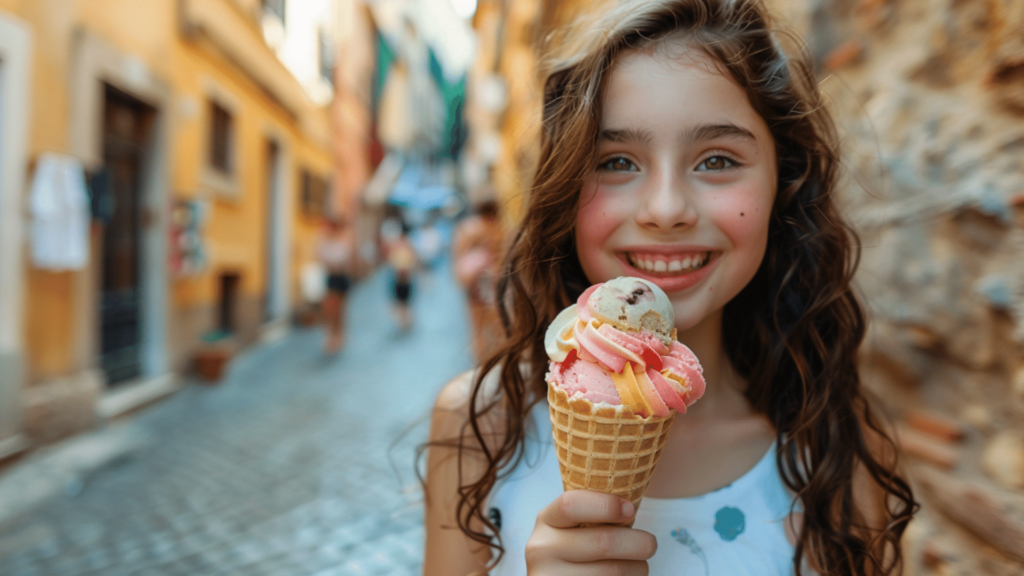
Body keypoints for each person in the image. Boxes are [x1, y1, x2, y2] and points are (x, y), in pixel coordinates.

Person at [422, 1, 918, 575]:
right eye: (615, 162)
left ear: (783, 183)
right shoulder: (477, 428)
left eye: (715, 159)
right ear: (565, 188)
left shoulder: (839, 456)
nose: (665, 209)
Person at [452, 200, 505, 363]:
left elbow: (458, 258)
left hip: (473, 283)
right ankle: (499, 361)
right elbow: (503, 258)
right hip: (491, 281)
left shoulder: (466, 228)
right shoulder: (498, 228)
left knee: (477, 329)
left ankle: (481, 364)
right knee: (498, 325)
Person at [316, 217, 353, 354]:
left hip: (340, 277)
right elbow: (319, 257)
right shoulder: (324, 242)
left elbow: (345, 260)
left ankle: (339, 334)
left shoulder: (342, 242)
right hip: (330, 277)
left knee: (340, 309)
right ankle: (331, 335)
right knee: (329, 308)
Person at [387, 224, 418, 331]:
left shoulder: (403, 245)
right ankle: (404, 321)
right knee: (403, 302)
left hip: (403, 279)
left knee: (403, 302)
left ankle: (405, 320)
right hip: (401, 279)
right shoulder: (404, 245)